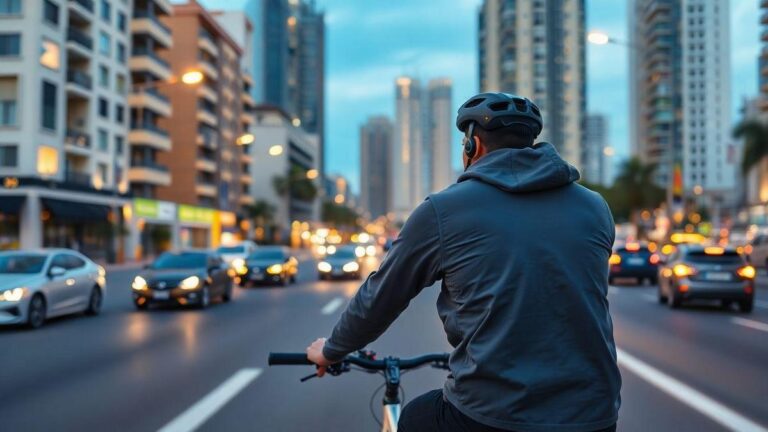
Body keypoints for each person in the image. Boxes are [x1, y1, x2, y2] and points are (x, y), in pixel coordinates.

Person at [307, 93, 621, 431]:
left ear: (473, 145)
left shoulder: (444, 210)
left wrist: (332, 350)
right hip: (594, 413)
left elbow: (381, 297)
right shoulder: (595, 207)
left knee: (414, 418)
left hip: (493, 412)